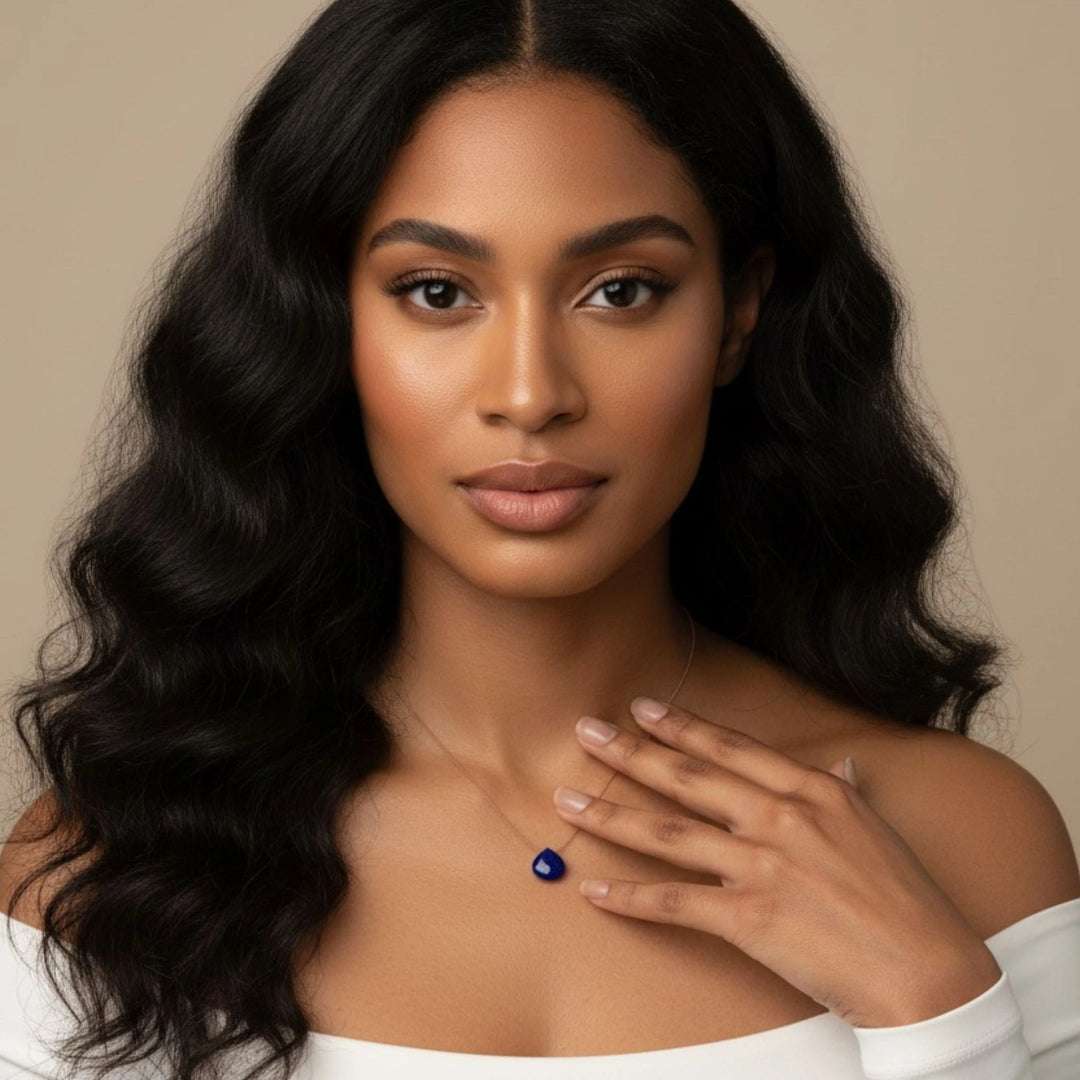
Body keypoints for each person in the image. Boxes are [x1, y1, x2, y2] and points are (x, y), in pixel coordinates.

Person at [2, 0, 1078, 1077]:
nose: (531, 394)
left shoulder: (962, 842)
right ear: (326, 320)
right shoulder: (111, 875)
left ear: (738, 315)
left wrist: (934, 1007)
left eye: (621, 291)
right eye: (436, 292)